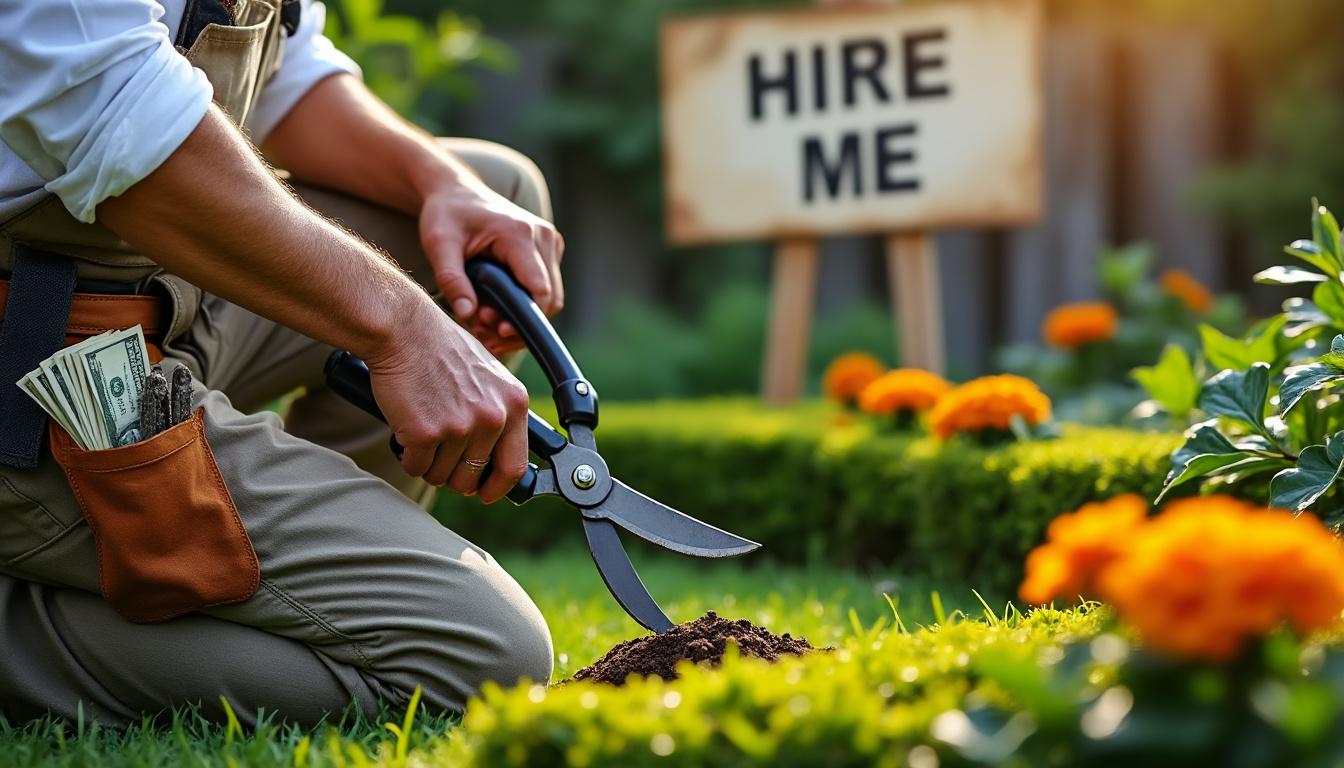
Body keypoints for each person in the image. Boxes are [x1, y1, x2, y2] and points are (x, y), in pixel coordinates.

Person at [0, 0, 561, 726]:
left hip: (168, 296)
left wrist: (439, 181)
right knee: (483, 662)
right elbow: (118, 127)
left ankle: (263, 573)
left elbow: (288, 79)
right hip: (42, 357)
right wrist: (402, 324)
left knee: (489, 209)